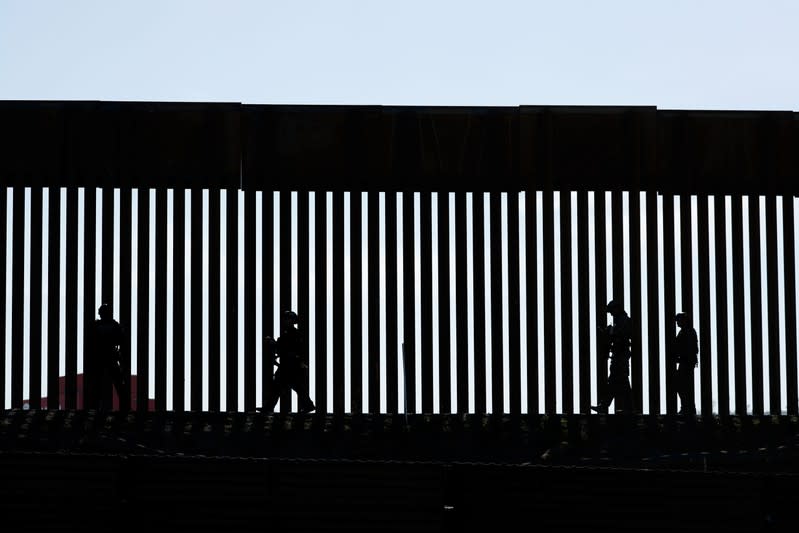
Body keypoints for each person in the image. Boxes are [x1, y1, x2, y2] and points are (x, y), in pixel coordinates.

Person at [264, 310, 315, 414]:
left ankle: (269, 407)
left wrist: (274, 344)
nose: (284, 321)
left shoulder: (293, 334)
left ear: (292, 321)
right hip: (289, 365)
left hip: (290, 366)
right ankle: (308, 406)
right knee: (285, 387)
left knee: (282, 387)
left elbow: (287, 348)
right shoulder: (289, 334)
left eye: (287, 319)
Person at [591, 300, 633, 414]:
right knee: (617, 381)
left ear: (617, 309)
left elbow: (620, 336)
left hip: (620, 355)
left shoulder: (623, 321)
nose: (611, 314)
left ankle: (607, 406)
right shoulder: (620, 320)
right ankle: (607, 405)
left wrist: (608, 333)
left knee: (618, 381)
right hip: (619, 355)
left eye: (611, 311)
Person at [86, 303, 129, 411]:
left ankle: (94, 406)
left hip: (101, 358)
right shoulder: (114, 325)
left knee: (98, 384)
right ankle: (124, 406)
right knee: (117, 382)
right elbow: (121, 339)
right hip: (108, 357)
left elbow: (91, 341)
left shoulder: (97, 326)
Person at [672, 312, 698, 415]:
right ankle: (688, 407)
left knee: (681, 385)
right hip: (686, 361)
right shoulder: (687, 331)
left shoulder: (687, 332)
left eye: (678, 320)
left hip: (686, 362)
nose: (677, 323)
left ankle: (687, 407)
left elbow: (690, 348)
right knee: (683, 385)